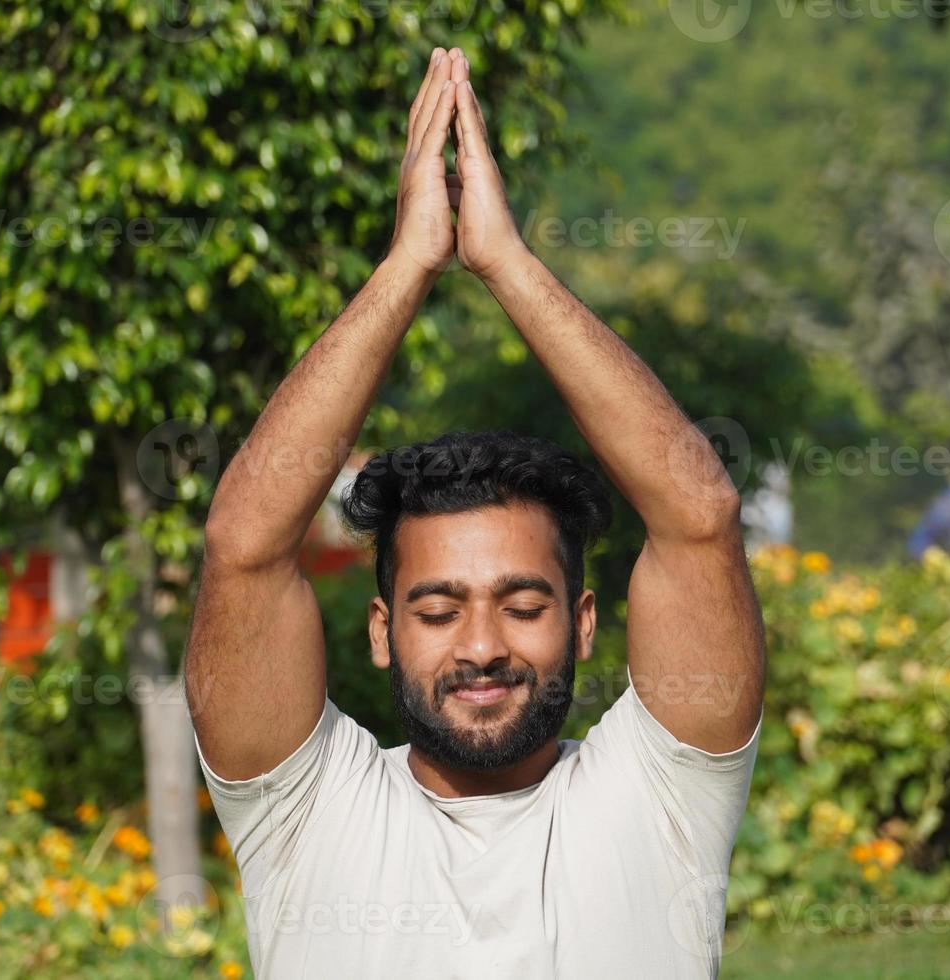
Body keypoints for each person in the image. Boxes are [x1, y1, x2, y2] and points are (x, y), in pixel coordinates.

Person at [183, 48, 766, 979]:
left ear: (581, 622)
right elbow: (243, 548)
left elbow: (699, 513)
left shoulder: (662, 793)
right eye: (438, 609)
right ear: (382, 630)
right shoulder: (305, 808)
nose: (483, 646)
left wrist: (504, 262)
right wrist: (407, 266)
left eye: (524, 605)